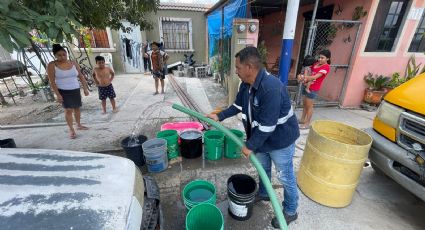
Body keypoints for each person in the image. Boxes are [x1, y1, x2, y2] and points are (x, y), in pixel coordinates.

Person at [207, 47, 300, 228]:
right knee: (263, 169)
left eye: (238, 67)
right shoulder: (246, 85)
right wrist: (219, 116)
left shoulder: (270, 88)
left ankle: (290, 210)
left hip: (280, 141)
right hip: (261, 139)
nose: (235, 71)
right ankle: (264, 193)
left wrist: (249, 146)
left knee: (285, 176)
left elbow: (267, 126)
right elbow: (237, 106)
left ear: (249, 67)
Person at [47, 44, 90, 139]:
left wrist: (85, 89)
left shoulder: (73, 63)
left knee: (77, 108)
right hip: (63, 91)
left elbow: (81, 76)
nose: (62, 57)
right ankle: (71, 129)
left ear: (66, 54)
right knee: (68, 110)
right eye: (59, 55)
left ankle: (78, 124)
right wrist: (57, 94)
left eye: (64, 54)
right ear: (55, 56)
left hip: (75, 89)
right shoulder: (52, 65)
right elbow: (52, 81)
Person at [297, 50, 331, 129]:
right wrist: (300, 75)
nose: (320, 59)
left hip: (313, 88)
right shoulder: (316, 64)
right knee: (305, 104)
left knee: (309, 106)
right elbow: (308, 70)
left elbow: (314, 77)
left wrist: (303, 78)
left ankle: (307, 123)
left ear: (328, 59)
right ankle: (302, 120)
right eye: (319, 57)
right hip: (306, 85)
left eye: (322, 58)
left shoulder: (326, 67)